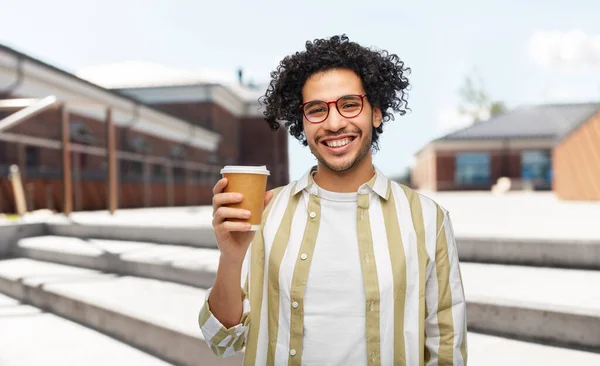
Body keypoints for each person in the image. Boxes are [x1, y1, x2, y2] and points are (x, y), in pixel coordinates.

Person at [199, 34, 467, 366]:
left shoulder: (427, 219)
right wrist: (230, 257)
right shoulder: (265, 212)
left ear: (377, 112)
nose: (335, 123)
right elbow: (223, 342)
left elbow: (447, 350)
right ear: (302, 123)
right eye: (316, 110)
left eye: (350, 104)